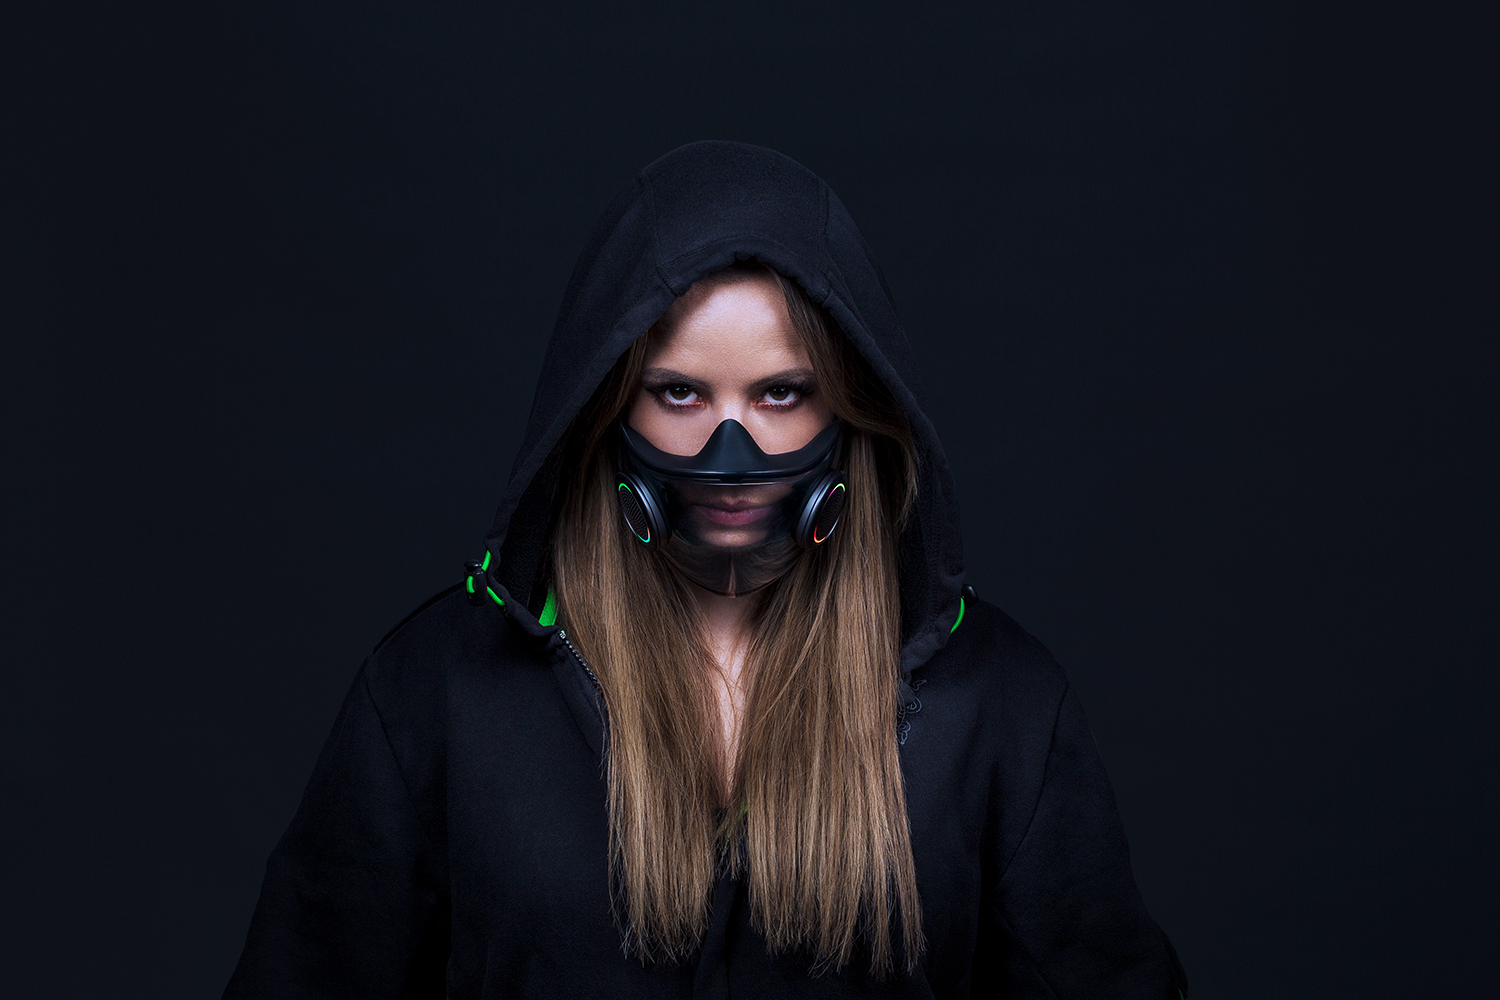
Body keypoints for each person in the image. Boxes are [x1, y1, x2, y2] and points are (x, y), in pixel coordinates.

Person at [224, 141, 1188, 998]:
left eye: (782, 393)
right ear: (605, 405)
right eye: (680, 393)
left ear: (852, 407)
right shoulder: (439, 692)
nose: (732, 452)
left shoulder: (1000, 706)